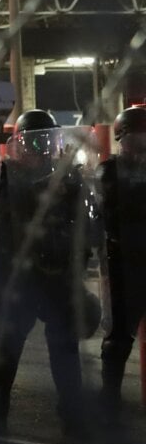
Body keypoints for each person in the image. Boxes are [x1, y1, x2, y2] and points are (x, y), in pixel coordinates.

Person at [0, 109, 98, 437]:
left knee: (64, 347)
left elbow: (87, 222)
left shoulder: (69, 176)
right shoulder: (6, 177)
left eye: (46, 141)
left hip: (58, 274)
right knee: (7, 347)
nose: (40, 149)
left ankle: (72, 413)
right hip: (18, 276)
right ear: (19, 146)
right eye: (32, 142)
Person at [99, 106, 146, 420]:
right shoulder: (110, 171)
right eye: (135, 141)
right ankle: (110, 400)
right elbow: (105, 215)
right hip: (124, 262)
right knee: (118, 338)